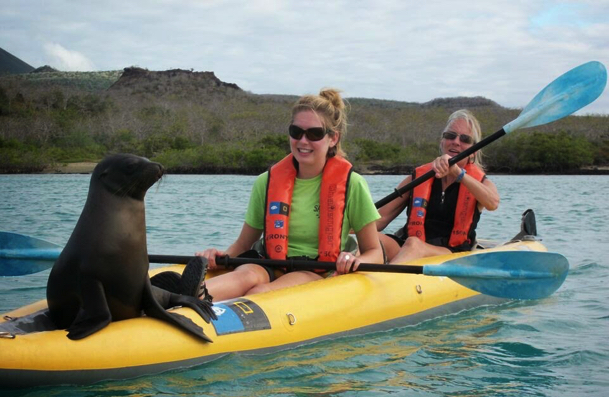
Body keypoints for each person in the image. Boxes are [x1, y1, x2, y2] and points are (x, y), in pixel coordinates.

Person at [195, 88, 383, 302]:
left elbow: (374, 251)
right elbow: (243, 244)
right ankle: (184, 294)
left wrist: (352, 258)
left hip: (315, 271)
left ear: (333, 138)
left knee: (258, 293)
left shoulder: (353, 184)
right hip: (268, 264)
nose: (303, 141)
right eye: (296, 132)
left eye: (314, 134)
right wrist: (220, 257)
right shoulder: (265, 182)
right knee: (244, 276)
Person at [378, 109, 500, 264]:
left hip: (450, 252)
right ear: (442, 142)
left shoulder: (481, 183)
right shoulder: (418, 178)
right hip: (408, 246)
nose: (456, 141)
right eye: (450, 136)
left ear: (473, 152)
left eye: (465, 139)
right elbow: (381, 219)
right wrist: (348, 226)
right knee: (372, 239)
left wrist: (459, 174)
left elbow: (493, 203)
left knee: (415, 245)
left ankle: (387, 282)